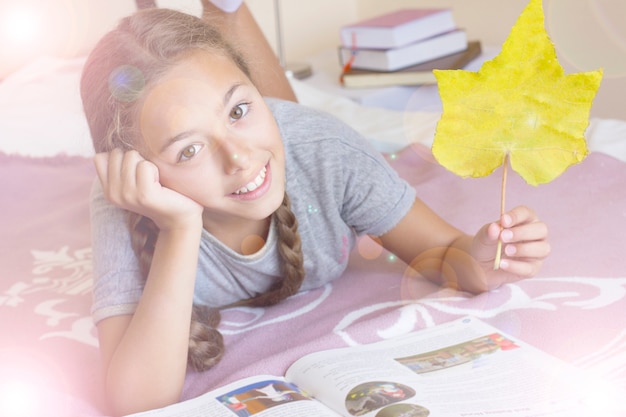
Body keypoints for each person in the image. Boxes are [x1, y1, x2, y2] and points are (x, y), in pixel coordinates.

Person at [80, 3, 550, 416]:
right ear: (138, 171)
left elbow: (448, 254)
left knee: (290, 128)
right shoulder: (124, 205)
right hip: (261, 154)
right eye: (189, 150)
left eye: (240, 110)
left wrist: (482, 260)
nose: (238, 159)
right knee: (268, 144)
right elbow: (138, 402)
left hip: (297, 138)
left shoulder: (325, 148)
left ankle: (228, 11)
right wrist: (179, 227)